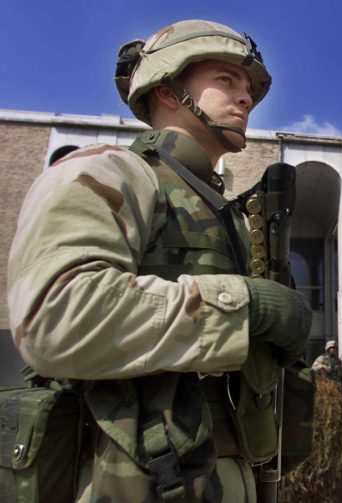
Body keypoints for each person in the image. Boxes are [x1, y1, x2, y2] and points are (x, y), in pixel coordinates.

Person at [6, 19, 312, 502]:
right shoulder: (109, 172)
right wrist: (245, 306)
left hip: (224, 472)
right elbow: (55, 316)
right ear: (168, 89)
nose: (246, 98)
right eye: (226, 80)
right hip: (131, 477)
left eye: (249, 87)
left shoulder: (226, 213)